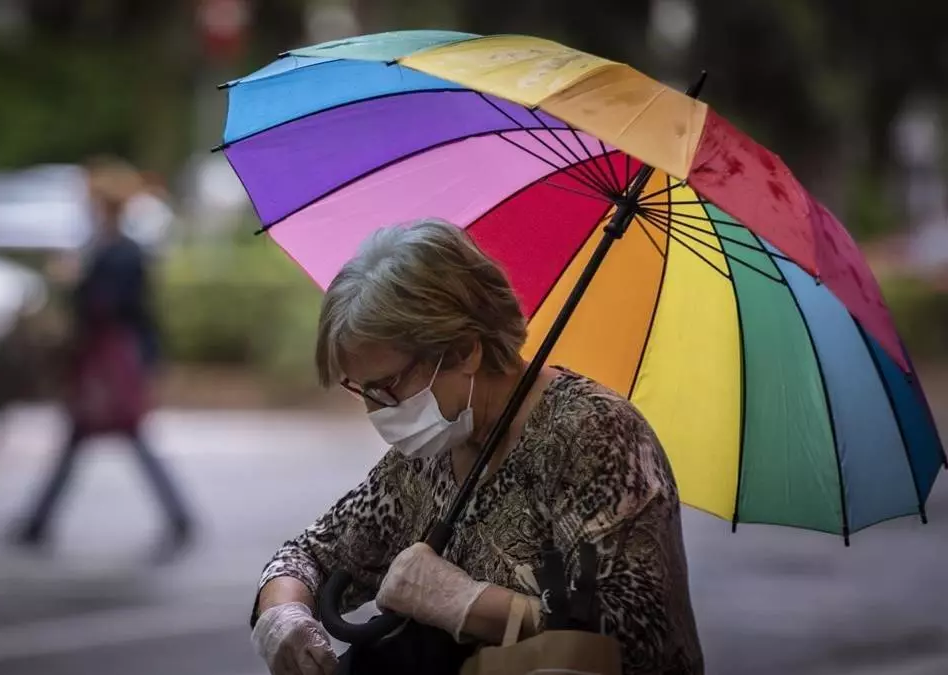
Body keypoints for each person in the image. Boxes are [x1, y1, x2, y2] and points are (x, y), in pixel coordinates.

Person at [249, 219, 703, 675]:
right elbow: (311, 554)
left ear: (465, 350)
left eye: (387, 386)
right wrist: (284, 616)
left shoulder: (594, 433)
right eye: (361, 390)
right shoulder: (428, 455)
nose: (375, 410)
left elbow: (639, 639)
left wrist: (470, 603)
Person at [12, 156, 192, 555]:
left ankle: (38, 523)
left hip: (110, 358)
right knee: (98, 436)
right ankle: (38, 522)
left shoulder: (118, 252)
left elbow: (112, 305)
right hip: (108, 356)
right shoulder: (110, 248)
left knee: (117, 433)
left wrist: (74, 280)